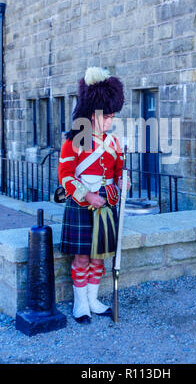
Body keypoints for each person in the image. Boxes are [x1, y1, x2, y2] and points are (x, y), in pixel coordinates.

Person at [58, 67, 131, 324]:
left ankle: (93, 299)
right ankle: (80, 304)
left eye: (112, 116)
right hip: (83, 204)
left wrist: (124, 180)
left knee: (99, 256)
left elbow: (119, 171)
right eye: (105, 116)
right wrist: (87, 196)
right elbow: (65, 176)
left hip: (107, 203)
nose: (109, 121)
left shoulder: (114, 143)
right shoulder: (75, 141)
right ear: (92, 113)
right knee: (81, 257)